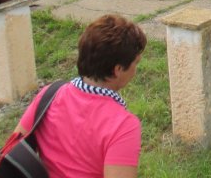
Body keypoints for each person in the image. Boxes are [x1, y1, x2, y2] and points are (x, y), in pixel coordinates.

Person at [14, 15, 147, 177]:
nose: (135, 70)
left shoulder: (50, 94)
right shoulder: (123, 126)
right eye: (136, 63)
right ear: (118, 69)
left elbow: (15, 147)